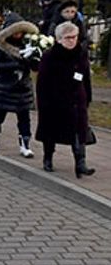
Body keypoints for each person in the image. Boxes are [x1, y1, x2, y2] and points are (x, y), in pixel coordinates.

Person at [35, 22, 95, 178]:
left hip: (76, 99)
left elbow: (85, 76)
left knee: (79, 130)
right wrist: (43, 102)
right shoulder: (50, 56)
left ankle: (80, 163)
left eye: (74, 37)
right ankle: (48, 158)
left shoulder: (81, 53)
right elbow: (42, 82)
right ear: (59, 39)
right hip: (55, 100)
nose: (72, 40)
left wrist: (87, 97)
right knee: (51, 131)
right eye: (68, 37)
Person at [0, 13, 38, 157]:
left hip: (22, 87)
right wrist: (16, 63)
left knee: (24, 117)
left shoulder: (28, 44)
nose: (18, 34)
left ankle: (25, 144)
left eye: (21, 31)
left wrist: (32, 58)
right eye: (15, 31)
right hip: (5, 86)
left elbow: (35, 67)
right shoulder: (0, 46)